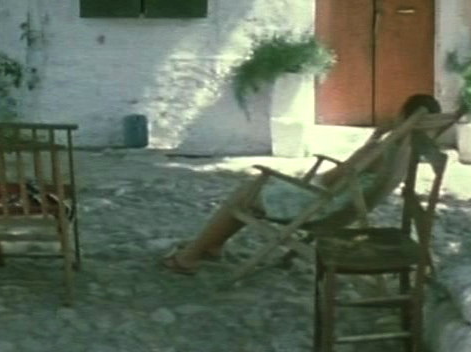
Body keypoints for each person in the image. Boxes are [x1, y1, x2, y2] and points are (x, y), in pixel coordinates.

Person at [161, 94, 443, 274]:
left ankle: (190, 256)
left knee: (249, 191)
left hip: (320, 207)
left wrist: (367, 147)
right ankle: (213, 245)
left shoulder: (382, 150)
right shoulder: (406, 152)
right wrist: (375, 138)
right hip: (341, 210)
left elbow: (335, 178)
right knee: (253, 194)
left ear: (403, 115)